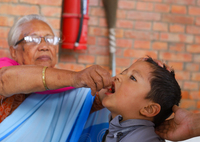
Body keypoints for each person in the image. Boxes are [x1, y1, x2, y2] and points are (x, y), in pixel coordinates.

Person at [0, 14, 112, 142]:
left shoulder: (72, 90)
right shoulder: (4, 69)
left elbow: (105, 96)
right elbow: (5, 79)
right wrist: (75, 78)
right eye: (33, 39)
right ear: (14, 51)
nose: (44, 46)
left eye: (50, 39)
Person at [97, 57, 182, 142]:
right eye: (123, 72)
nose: (118, 76)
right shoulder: (118, 130)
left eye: (133, 78)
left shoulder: (146, 139)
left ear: (148, 109)